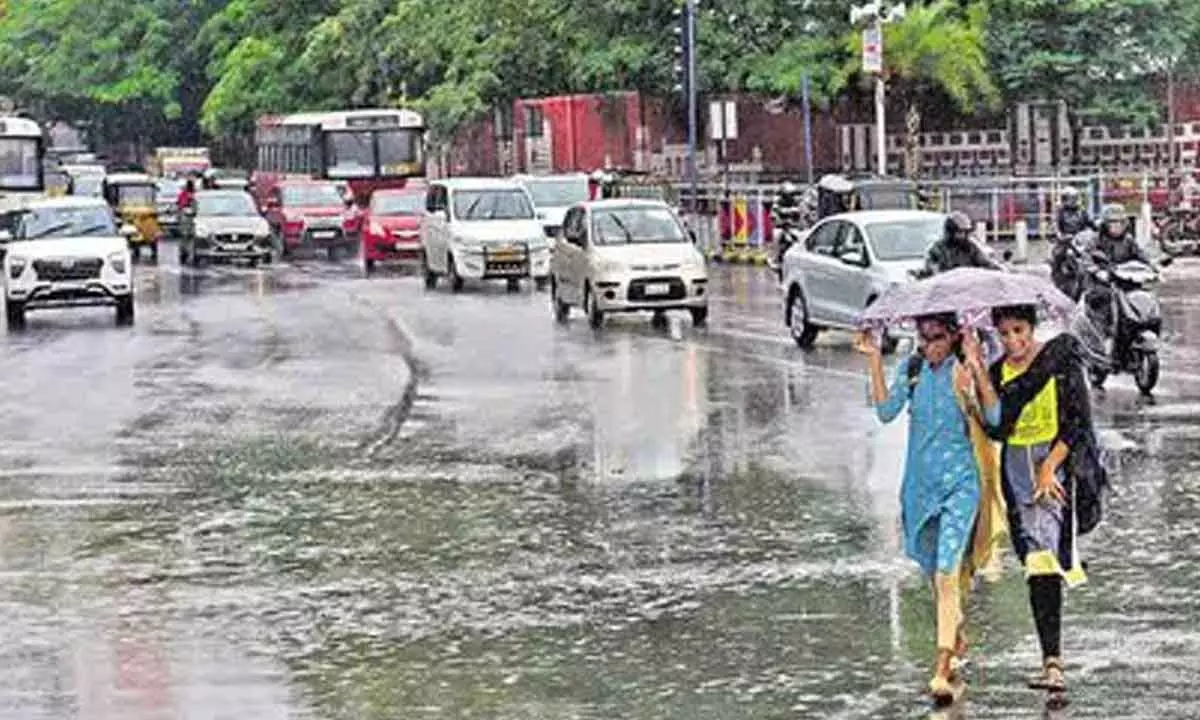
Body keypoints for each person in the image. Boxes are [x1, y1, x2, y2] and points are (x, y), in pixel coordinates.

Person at [855, 315, 1005, 702]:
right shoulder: (914, 368)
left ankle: (941, 666)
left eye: (936, 338)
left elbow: (994, 419)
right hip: (920, 488)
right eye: (922, 338)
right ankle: (954, 635)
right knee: (932, 569)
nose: (929, 345)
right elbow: (886, 412)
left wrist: (976, 374)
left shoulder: (964, 369)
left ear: (953, 336)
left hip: (961, 486)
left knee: (946, 572)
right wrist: (873, 358)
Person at [963, 305, 1105, 698]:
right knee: (1034, 562)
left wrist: (1049, 469)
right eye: (1005, 334)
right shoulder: (997, 373)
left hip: (1054, 469)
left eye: (1020, 331)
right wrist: (976, 368)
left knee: (1043, 562)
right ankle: (1051, 658)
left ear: (1032, 327)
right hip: (1015, 474)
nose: (1014, 342)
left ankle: (1053, 662)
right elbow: (996, 425)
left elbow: (1078, 421)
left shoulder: (1059, 360)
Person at [922, 211, 1002, 277]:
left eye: (965, 233)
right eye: (959, 232)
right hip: (947, 291)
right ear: (951, 232)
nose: (963, 236)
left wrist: (1001, 271)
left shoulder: (970, 248)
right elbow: (933, 271)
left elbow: (985, 262)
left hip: (969, 289)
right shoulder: (937, 250)